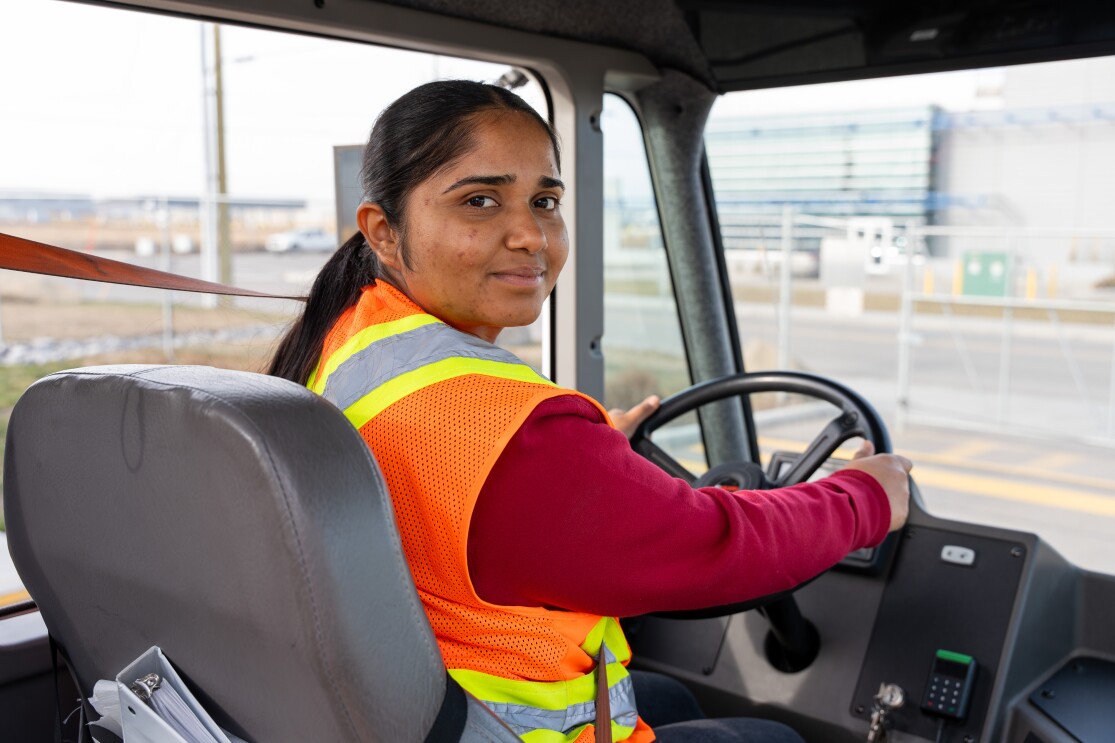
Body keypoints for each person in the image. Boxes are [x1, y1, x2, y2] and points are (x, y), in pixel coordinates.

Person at [268, 80, 912, 743]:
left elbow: (465, 478)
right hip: (487, 724)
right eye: (479, 201)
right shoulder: (501, 430)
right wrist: (864, 497)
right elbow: (713, 546)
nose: (530, 235)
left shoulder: (352, 340)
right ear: (383, 231)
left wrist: (588, 463)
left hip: (418, 704)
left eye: (545, 201)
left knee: (670, 695)